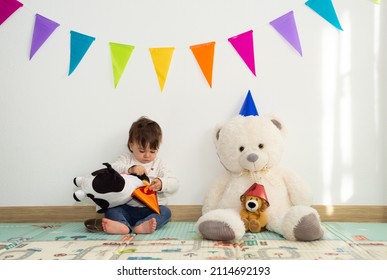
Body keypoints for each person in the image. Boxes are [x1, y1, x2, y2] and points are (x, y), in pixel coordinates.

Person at [85, 116, 179, 235]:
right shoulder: (126, 160)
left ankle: (143, 225)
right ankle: (122, 225)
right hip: (126, 207)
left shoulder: (159, 164)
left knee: (166, 212)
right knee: (111, 210)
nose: (147, 155)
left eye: (152, 151)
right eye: (142, 151)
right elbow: (112, 169)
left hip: (151, 209)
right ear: (131, 145)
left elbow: (175, 183)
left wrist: (162, 183)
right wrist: (130, 169)